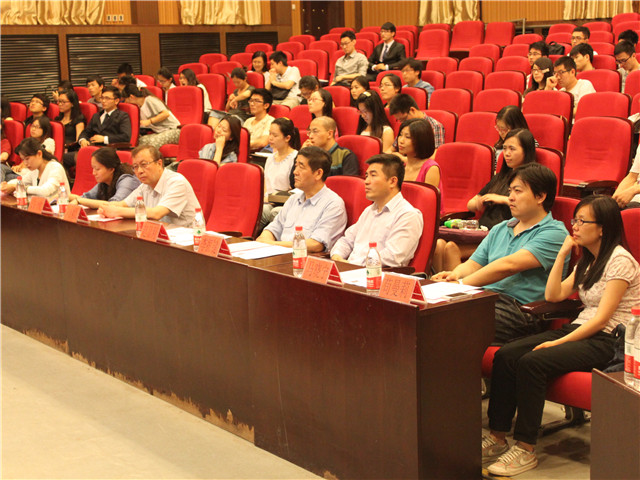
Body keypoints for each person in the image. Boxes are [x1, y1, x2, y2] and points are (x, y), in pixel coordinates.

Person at [482, 195, 639, 477]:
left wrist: (558, 341)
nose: (574, 226)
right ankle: (497, 436)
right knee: (507, 354)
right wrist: (563, 254)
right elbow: (553, 295)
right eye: (574, 220)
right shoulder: (589, 260)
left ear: (602, 228)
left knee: (533, 361)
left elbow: (603, 319)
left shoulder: (620, 260)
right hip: (580, 330)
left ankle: (526, 448)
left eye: (582, 221)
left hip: (609, 339)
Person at [432, 163, 568, 344]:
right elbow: (473, 264)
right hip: (485, 298)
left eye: (518, 191)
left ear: (540, 196)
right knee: (429, 311)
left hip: (520, 310)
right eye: (510, 191)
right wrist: (454, 275)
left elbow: (508, 266)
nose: (510, 197)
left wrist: (461, 284)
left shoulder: (555, 233)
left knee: (447, 320)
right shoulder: (501, 228)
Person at [434, 129, 537, 272]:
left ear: (526, 151)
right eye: (505, 148)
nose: (506, 153)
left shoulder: (531, 179)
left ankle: (456, 285)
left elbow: (531, 208)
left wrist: (502, 199)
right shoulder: (500, 177)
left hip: (502, 237)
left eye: (512, 149)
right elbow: (471, 204)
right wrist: (478, 202)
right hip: (481, 231)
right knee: (439, 244)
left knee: (451, 247)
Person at [331, 153, 423, 267]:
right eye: (366, 176)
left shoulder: (407, 215)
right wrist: (337, 256)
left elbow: (392, 257)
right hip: (350, 270)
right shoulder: (369, 211)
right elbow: (347, 240)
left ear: (392, 181)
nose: (366, 181)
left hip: (375, 275)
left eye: (373, 175)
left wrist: (352, 265)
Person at [257, 146, 347, 252]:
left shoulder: (333, 204)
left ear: (318, 173)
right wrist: (263, 240)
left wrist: (274, 245)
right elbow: (273, 229)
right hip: (279, 254)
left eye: (301, 167)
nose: (295, 172)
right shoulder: (293, 199)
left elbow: (316, 244)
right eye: (296, 166)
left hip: (303, 258)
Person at [98, 144, 200, 227]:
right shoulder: (145, 186)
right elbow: (123, 204)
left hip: (188, 239)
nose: (139, 171)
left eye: (144, 164)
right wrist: (106, 208)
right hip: (161, 236)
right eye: (135, 167)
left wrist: (117, 212)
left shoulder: (177, 182)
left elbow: (156, 213)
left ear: (159, 164)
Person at [65, 86, 132, 175]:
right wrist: (83, 140)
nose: (103, 101)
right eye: (102, 98)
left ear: (116, 101)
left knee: (86, 159)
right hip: (92, 149)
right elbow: (86, 132)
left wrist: (104, 139)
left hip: (109, 151)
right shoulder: (96, 116)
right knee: (63, 158)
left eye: (107, 98)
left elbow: (126, 136)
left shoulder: (122, 116)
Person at [1, 138, 70, 203]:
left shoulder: (55, 167)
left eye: (27, 159)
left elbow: (45, 190)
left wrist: (17, 187)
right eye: (23, 159)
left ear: (39, 154)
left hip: (58, 208)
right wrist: (6, 185)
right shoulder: (35, 170)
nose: (25, 163)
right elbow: (21, 181)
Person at [68, 147, 140, 208]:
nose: (93, 173)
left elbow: (114, 205)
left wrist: (80, 200)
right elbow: (85, 197)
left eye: (97, 169)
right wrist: (66, 196)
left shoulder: (128, 180)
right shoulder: (105, 182)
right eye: (93, 168)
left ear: (111, 169)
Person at [261, 118, 300, 225]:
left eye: (275, 135)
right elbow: (265, 184)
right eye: (270, 134)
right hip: (268, 200)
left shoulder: (296, 158)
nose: (270, 138)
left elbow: (294, 188)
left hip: (284, 202)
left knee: (268, 211)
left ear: (287, 138)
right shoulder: (270, 158)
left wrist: (274, 198)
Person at [123, 84, 180, 150]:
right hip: (160, 132)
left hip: (173, 130)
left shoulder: (150, 100)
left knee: (153, 143)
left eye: (125, 99)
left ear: (131, 97)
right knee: (141, 141)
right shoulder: (138, 107)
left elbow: (165, 114)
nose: (125, 102)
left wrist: (150, 121)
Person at [396, 118, 441, 201]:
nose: (401, 141)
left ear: (421, 141)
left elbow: (428, 202)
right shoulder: (400, 166)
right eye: (400, 135)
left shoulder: (431, 168)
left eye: (407, 137)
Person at [613, 143, 640, 209]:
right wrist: (614, 200)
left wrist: (633, 190)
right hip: (634, 200)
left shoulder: (633, 190)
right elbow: (632, 177)